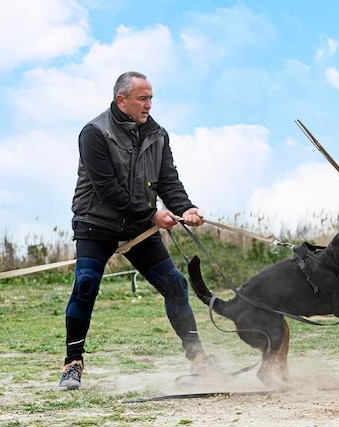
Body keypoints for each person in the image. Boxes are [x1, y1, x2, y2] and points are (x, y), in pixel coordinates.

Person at [59, 71, 221, 390]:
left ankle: (198, 359)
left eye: (150, 98)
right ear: (122, 100)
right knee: (87, 283)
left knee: (175, 285)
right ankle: (72, 363)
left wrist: (185, 207)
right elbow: (106, 189)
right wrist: (152, 215)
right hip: (96, 225)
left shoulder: (158, 134)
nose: (148, 104)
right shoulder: (93, 133)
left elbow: (168, 181)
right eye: (142, 98)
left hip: (138, 230)